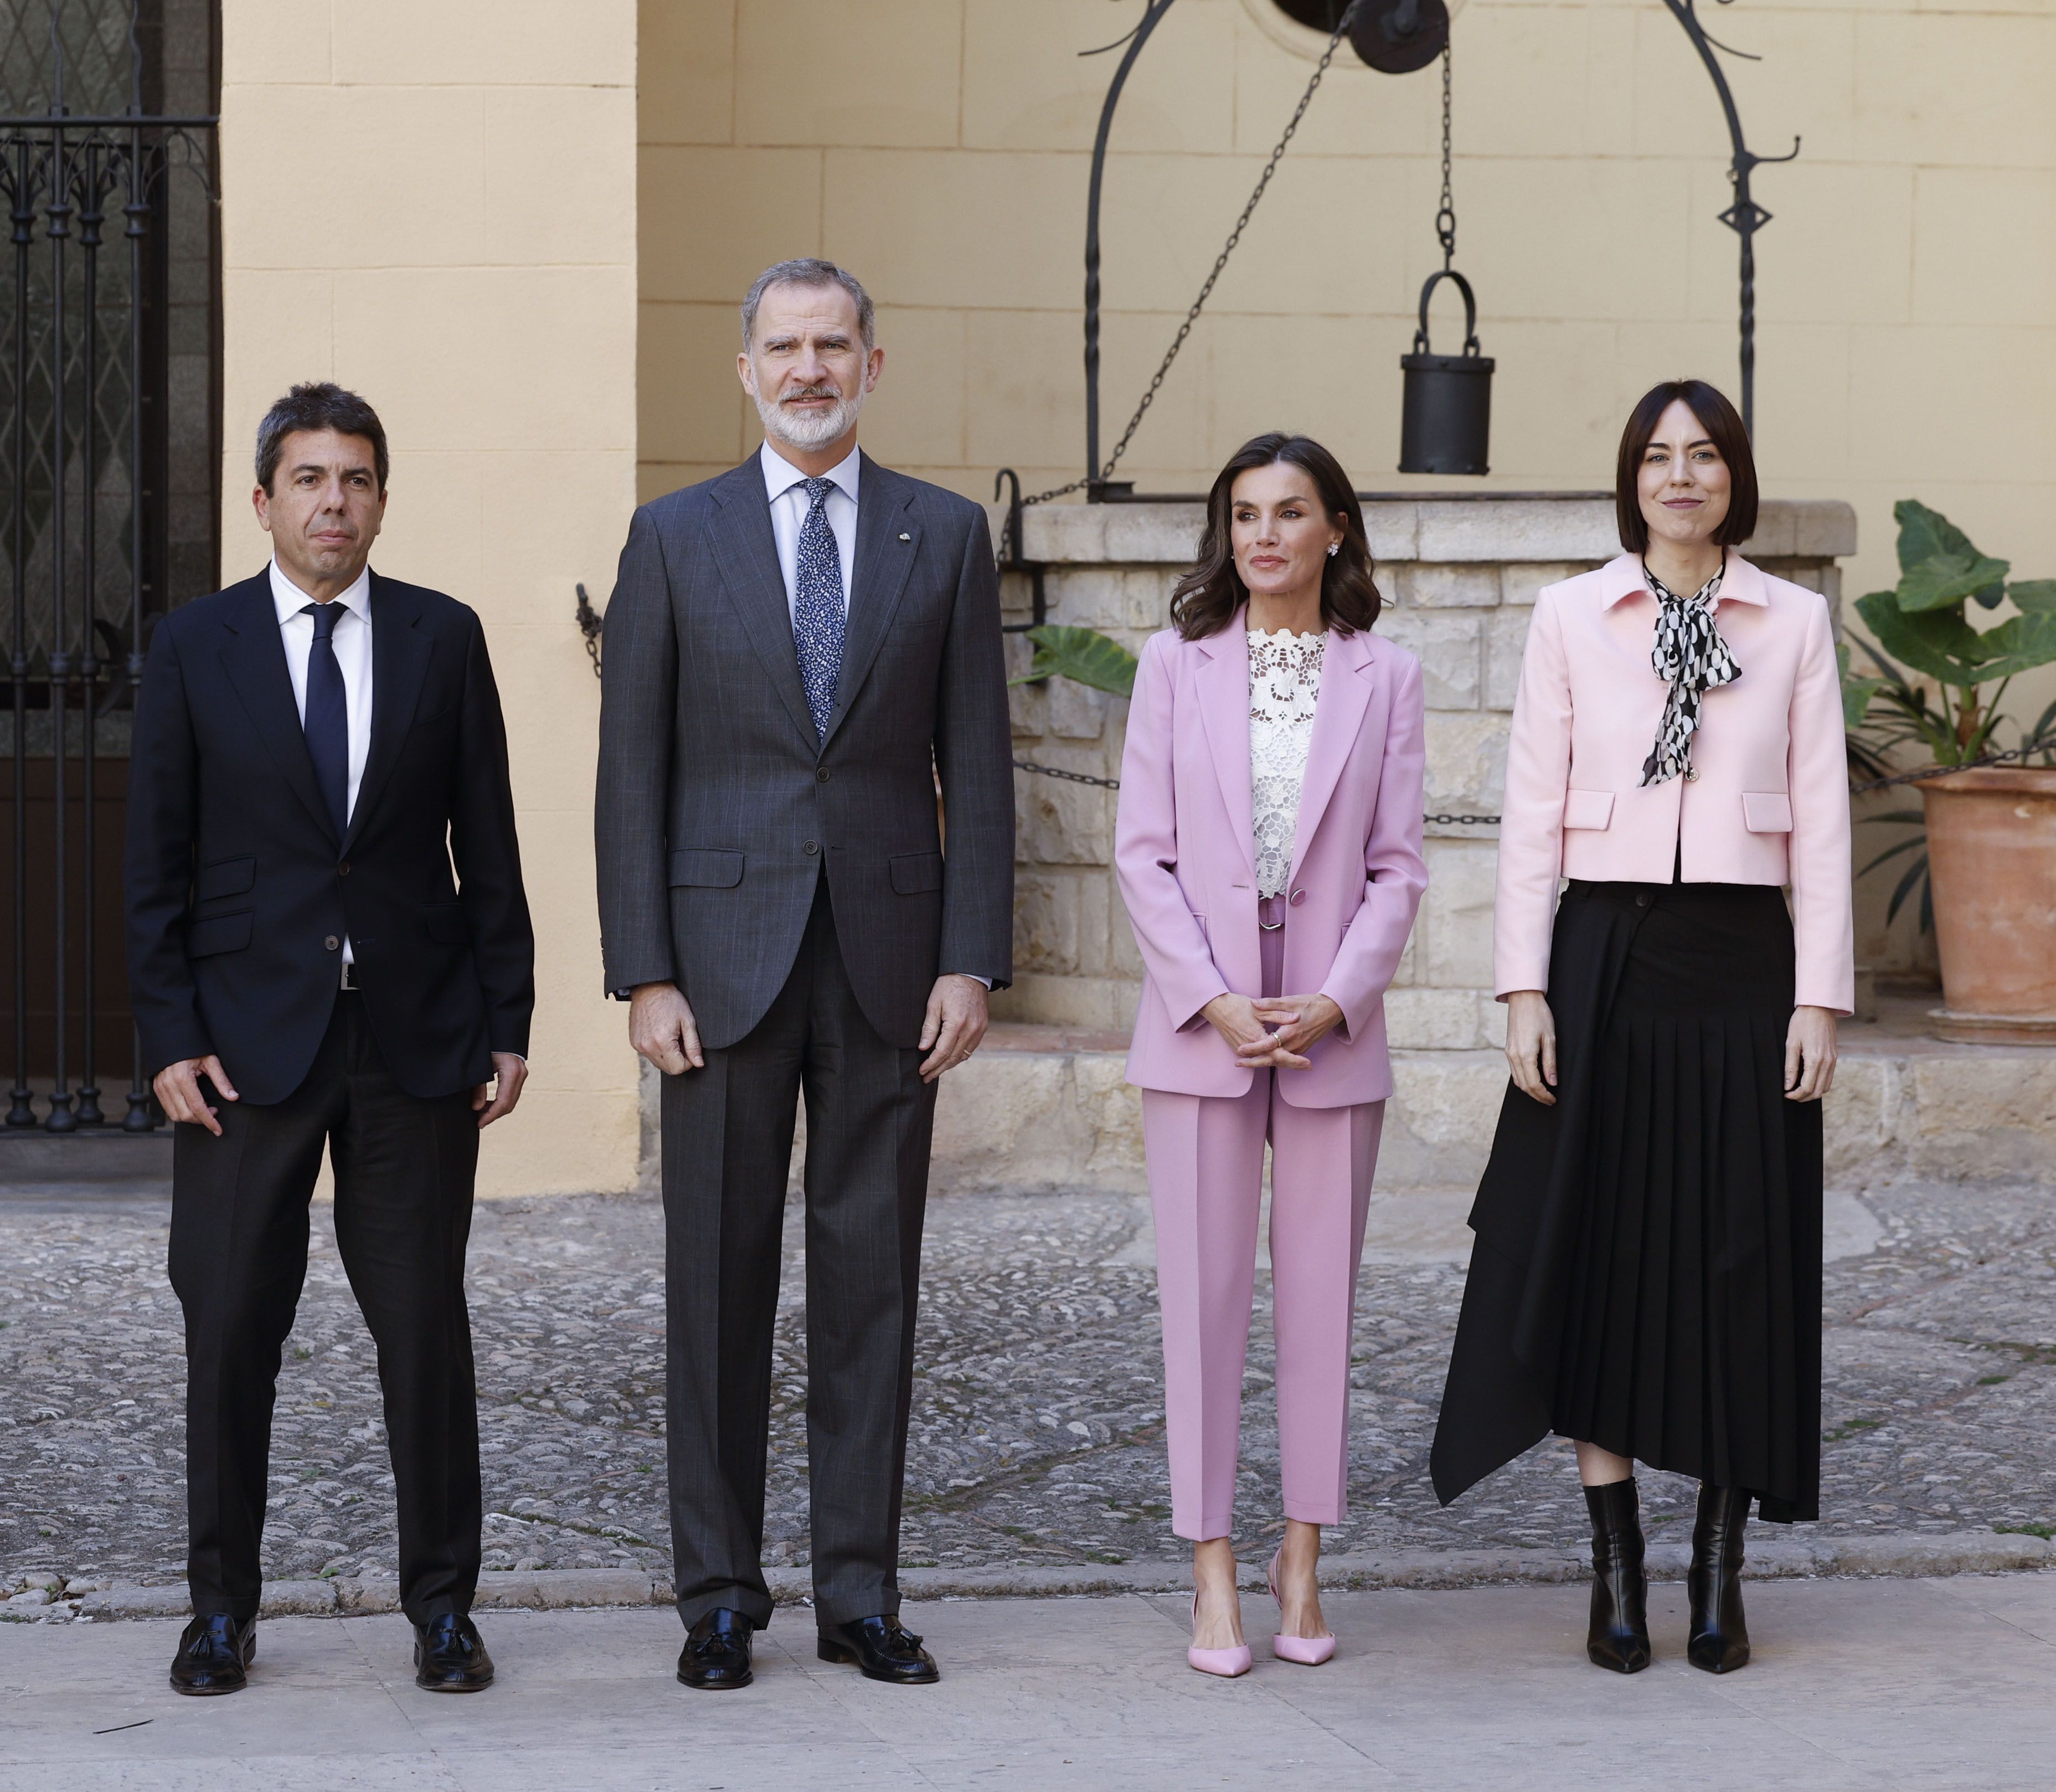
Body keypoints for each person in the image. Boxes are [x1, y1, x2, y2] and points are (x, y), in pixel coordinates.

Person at [596, 256, 1012, 1692]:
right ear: (747, 367)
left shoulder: (944, 537)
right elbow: (629, 777)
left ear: (873, 365)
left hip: (894, 966)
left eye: (835, 344)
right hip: (714, 971)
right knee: (716, 1288)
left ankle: (859, 1593)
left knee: (871, 1285)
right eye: (784, 346)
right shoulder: (672, 538)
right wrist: (641, 970)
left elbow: (983, 766)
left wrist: (973, 956)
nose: (810, 368)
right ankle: (718, 1596)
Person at [1431, 378, 1851, 1675]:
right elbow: (1529, 814)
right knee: (1597, 1254)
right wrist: (1521, 989)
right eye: (1659, 456)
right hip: (1601, 954)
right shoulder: (1572, 615)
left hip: (1742, 963)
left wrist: (1819, 995)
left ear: (1737, 476)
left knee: (1738, 1259)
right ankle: (1614, 1571)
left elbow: (1827, 820)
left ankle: (1718, 1570)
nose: (1682, 475)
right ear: (1633, 477)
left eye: (1706, 454)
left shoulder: (1793, 623)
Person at [126, 381, 534, 1699]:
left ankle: (443, 1608)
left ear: (380, 499)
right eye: (309, 478)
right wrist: (170, 1033)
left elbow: (491, 841)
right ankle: (221, 1610)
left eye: (356, 479)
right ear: (264, 499)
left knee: (423, 1327)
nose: (334, 502)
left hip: (414, 1037)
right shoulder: (197, 646)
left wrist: (510, 1019)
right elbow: (156, 866)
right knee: (232, 1322)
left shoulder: (441, 638)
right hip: (244, 1048)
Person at [1112, 434, 1426, 1678]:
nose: (1265, 534)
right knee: (1201, 1305)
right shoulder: (1172, 666)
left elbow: (1400, 865)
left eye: (1290, 512)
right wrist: (1213, 998)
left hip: (1331, 1040)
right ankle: (1211, 1570)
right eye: (1244, 513)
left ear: (1335, 528)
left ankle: (1302, 1557)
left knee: (1319, 1308)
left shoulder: (1387, 675)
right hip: (1203, 1036)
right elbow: (1143, 851)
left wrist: (1341, 998)